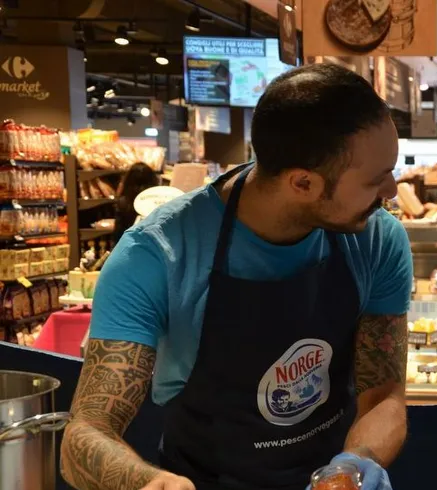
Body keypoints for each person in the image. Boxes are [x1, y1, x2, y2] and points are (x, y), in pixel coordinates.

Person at [60, 64, 411, 490]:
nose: (392, 191)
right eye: (377, 179)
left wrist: (354, 465)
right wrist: (151, 484)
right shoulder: (157, 256)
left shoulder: (376, 239)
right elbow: (85, 436)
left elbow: (383, 395)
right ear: (303, 182)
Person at [112, 162, 160, 243]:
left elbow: (118, 233)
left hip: (130, 244)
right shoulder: (158, 200)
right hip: (153, 244)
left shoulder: (123, 202)